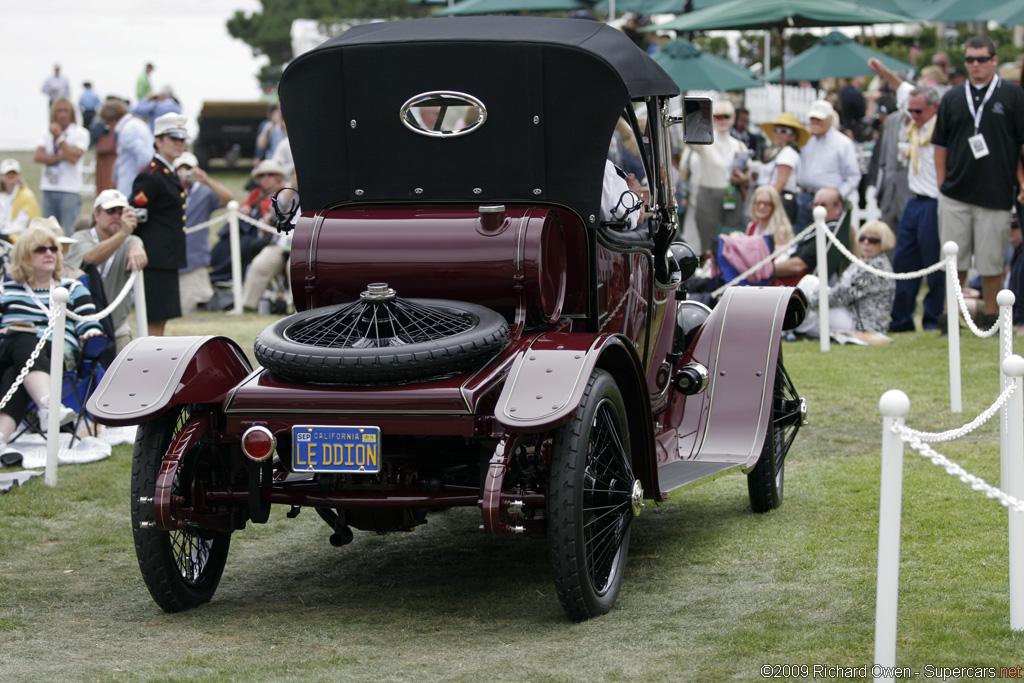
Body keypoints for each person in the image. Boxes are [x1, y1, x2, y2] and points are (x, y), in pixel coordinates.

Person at [932, 36, 1024, 325]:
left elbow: (1021, 143)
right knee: (953, 260)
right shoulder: (952, 96)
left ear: (994, 60)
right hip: (956, 193)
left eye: (982, 59)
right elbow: (940, 144)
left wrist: (1022, 182)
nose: (975, 65)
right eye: (970, 59)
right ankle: (951, 317)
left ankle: (991, 318)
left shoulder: (1012, 95)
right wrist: (941, 182)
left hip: (996, 191)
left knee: (991, 261)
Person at [0, 225, 104, 460]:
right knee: (23, 337)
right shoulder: (6, 291)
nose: (49, 253)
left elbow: (89, 323)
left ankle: (2, 437)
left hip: (59, 355)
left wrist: (91, 334)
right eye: (40, 249)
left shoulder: (72, 287)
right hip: (10, 348)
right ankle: (49, 407)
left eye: (53, 248)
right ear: (24, 255)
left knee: (19, 370)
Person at [869, 57, 945, 332]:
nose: (913, 116)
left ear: (934, 108)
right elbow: (901, 87)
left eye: (919, 112)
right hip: (913, 200)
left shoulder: (942, 124)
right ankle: (901, 319)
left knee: (934, 263)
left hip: (934, 202)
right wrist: (884, 71)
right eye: (910, 111)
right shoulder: (913, 116)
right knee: (904, 262)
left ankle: (934, 319)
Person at [129, 112, 188, 337]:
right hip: (154, 258)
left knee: (161, 318)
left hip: (166, 258)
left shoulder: (167, 173)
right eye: (173, 138)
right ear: (158, 140)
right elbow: (137, 217)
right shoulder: (151, 176)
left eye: (182, 139)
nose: (179, 144)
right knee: (154, 320)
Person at [66, 190, 147, 353]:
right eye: (110, 211)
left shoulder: (131, 240)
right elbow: (90, 258)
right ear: (96, 215)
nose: (116, 216)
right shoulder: (80, 237)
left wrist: (136, 244)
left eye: (121, 212)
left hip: (117, 326)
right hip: (81, 326)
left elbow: (137, 246)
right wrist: (125, 233)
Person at [796, 220, 897, 336]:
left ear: (884, 242)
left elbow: (841, 295)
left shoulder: (876, 268)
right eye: (862, 238)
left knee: (810, 299)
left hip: (862, 325)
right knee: (810, 281)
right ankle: (792, 326)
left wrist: (807, 301)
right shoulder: (862, 262)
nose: (866, 243)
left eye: (873, 240)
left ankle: (790, 327)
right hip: (849, 313)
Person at [173, 152, 233, 312]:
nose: (185, 172)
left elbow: (229, 199)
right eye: (181, 168)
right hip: (171, 259)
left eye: (189, 168)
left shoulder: (203, 192)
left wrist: (206, 180)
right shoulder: (168, 189)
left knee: (191, 305)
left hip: (194, 261)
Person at [690, 100, 750, 256]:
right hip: (709, 195)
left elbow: (748, 172)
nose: (721, 120)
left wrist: (743, 178)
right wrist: (696, 112)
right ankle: (710, 272)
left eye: (726, 116)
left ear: (733, 118)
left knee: (733, 235)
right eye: (716, 116)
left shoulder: (739, 145)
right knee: (709, 240)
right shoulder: (704, 142)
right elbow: (690, 139)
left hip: (732, 194)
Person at [794, 100, 861, 232]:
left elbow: (853, 176)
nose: (815, 123)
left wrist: (838, 195)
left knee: (827, 240)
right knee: (800, 238)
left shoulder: (843, 143)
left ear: (829, 120)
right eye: (813, 119)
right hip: (805, 196)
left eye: (819, 120)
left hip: (828, 201)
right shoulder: (804, 141)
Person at [33, 97, 89, 237]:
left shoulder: (80, 133)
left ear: (72, 113)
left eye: (66, 111)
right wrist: (62, 157)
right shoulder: (46, 132)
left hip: (69, 188)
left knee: (71, 231)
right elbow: (38, 156)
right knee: (47, 232)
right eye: (59, 111)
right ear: (53, 114)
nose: (62, 115)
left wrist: (59, 138)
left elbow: (74, 158)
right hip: (49, 187)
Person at [775, 186, 847, 287]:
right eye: (815, 204)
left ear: (838, 208)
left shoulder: (829, 232)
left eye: (823, 205)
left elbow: (798, 265)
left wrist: (765, 270)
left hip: (794, 286)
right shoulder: (816, 226)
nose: (817, 208)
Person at [757, 112, 809, 224]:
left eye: (783, 131)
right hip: (773, 197)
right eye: (776, 130)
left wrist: (766, 202)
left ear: (793, 135)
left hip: (778, 199)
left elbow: (780, 182)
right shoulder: (777, 151)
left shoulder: (788, 153)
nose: (778, 133)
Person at [99, 98, 154, 198]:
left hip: (130, 188)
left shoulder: (127, 130)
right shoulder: (138, 124)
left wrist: (139, 182)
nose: (109, 128)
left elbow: (145, 158)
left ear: (112, 119)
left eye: (107, 124)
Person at [0, 159, 41, 239]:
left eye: (13, 173)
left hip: (18, 238)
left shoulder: (26, 195)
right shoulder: (2, 195)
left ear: (19, 175)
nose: (11, 176)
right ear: (2, 176)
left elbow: (23, 223)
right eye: (7, 173)